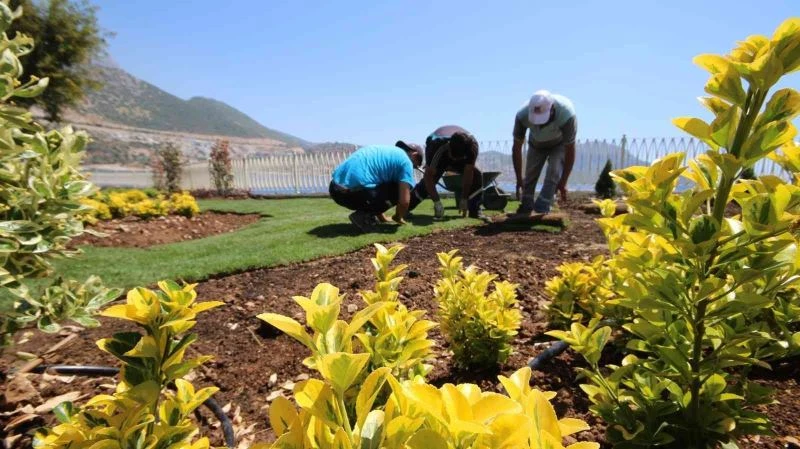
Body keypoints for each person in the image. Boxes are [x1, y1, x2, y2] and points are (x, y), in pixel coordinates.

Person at [329, 142, 423, 232]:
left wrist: (382, 217)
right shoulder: (406, 162)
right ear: (414, 155)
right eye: (415, 166)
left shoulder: (388, 153)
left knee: (391, 184)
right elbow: (404, 202)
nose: (413, 168)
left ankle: (367, 214)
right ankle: (362, 217)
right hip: (351, 193)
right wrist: (398, 217)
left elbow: (378, 186)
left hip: (334, 189)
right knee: (402, 189)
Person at [512, 90, 577, 214]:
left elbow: (570, 150)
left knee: (554, 171)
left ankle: (543, 205)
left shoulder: (567, 114)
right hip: (536, 144)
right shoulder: (522, 115)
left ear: (552, 109)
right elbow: (516, 148)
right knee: (530, 175)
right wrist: (519, 178)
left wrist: (563, 182)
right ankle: (526, 205)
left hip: (559, 144)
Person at [407, 125, 484, 220]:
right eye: (453, 157)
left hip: (458, 154)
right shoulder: (435, 145)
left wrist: (464, 198)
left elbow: (468, 173)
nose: (454, 161)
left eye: (458, 158)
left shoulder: (472, 147)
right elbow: (428, 177)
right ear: (449, 148)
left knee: (477, 175)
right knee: (427, 183)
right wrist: (437, 202)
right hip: (440, 155)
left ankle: (475, 211)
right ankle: (405, 208)